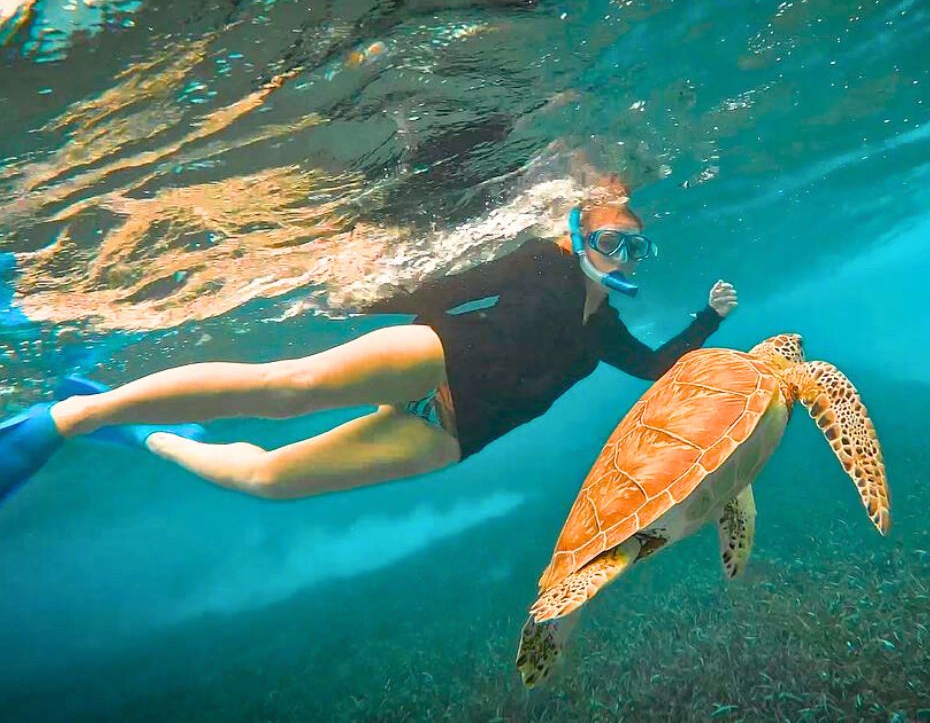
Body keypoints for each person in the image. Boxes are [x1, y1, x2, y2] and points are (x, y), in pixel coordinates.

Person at [0, 189, 738, 502]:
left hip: (462, 430)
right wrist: (361, 295)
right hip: (436, 356)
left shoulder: (605, 329)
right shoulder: (541, 261)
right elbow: (446, 289)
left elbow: (651, 369)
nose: (623, 258)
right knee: (286, 391)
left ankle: (149, 437)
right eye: (612, 241)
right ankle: (65, 421)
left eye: (636, 249)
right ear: (580, 234)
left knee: (268, 482)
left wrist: (707, 320)